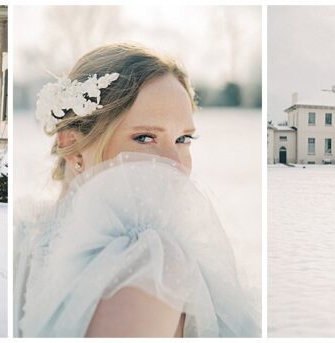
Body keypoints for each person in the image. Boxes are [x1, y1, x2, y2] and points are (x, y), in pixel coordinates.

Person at [14, 43, 259, 337]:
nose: (176, 165)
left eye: (183, 139)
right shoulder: (148, 260)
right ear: (73, 148)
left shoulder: (26, 236)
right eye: (144, 137)